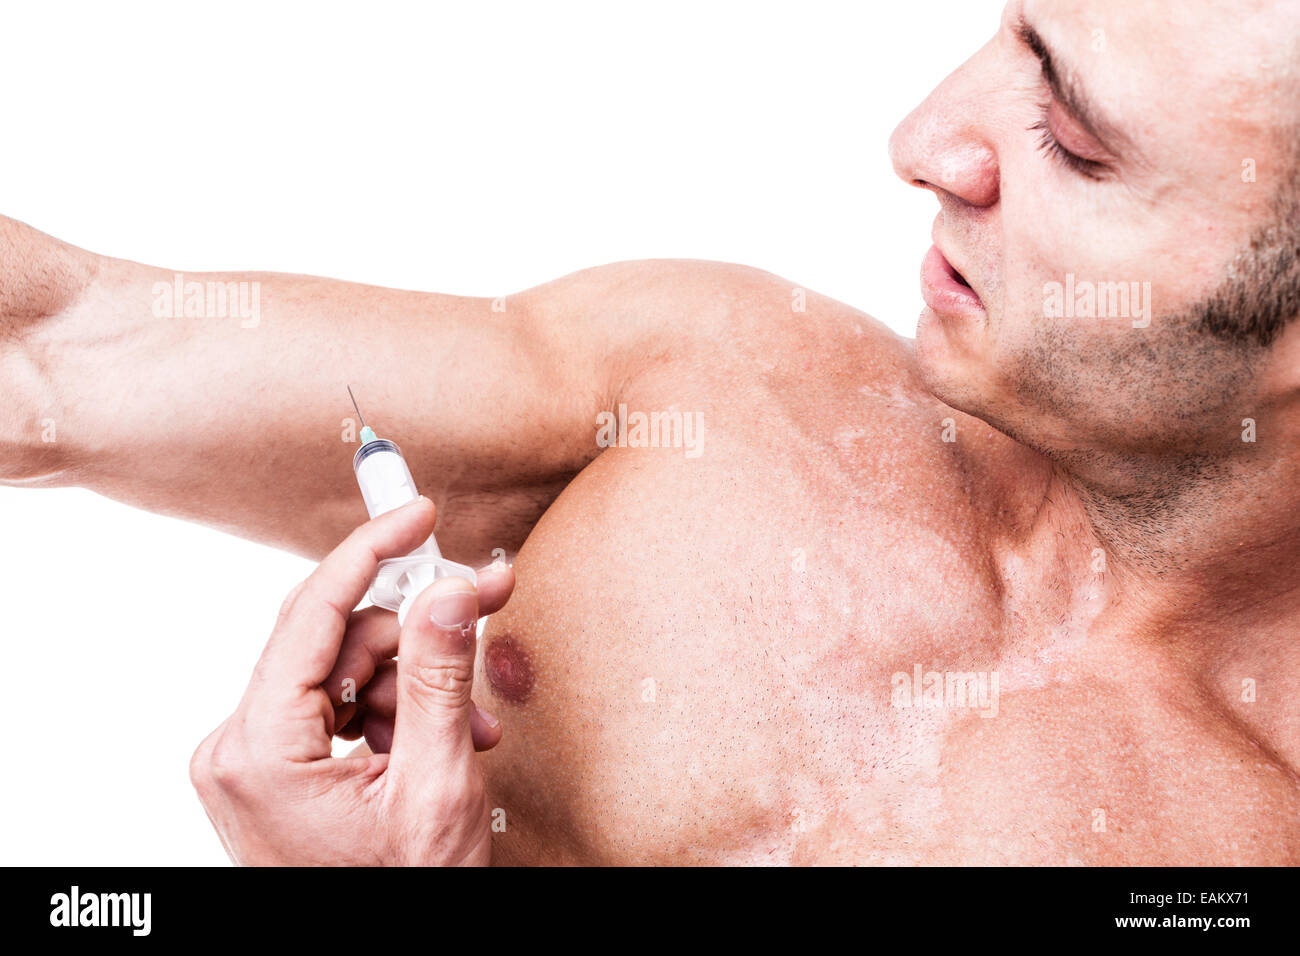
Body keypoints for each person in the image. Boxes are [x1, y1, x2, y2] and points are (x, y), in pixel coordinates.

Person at [4, 0, 1299, 864]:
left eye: (1073, 144)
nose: (921, 143)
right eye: (1012, 30)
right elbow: (51, 354)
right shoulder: (721, 385)